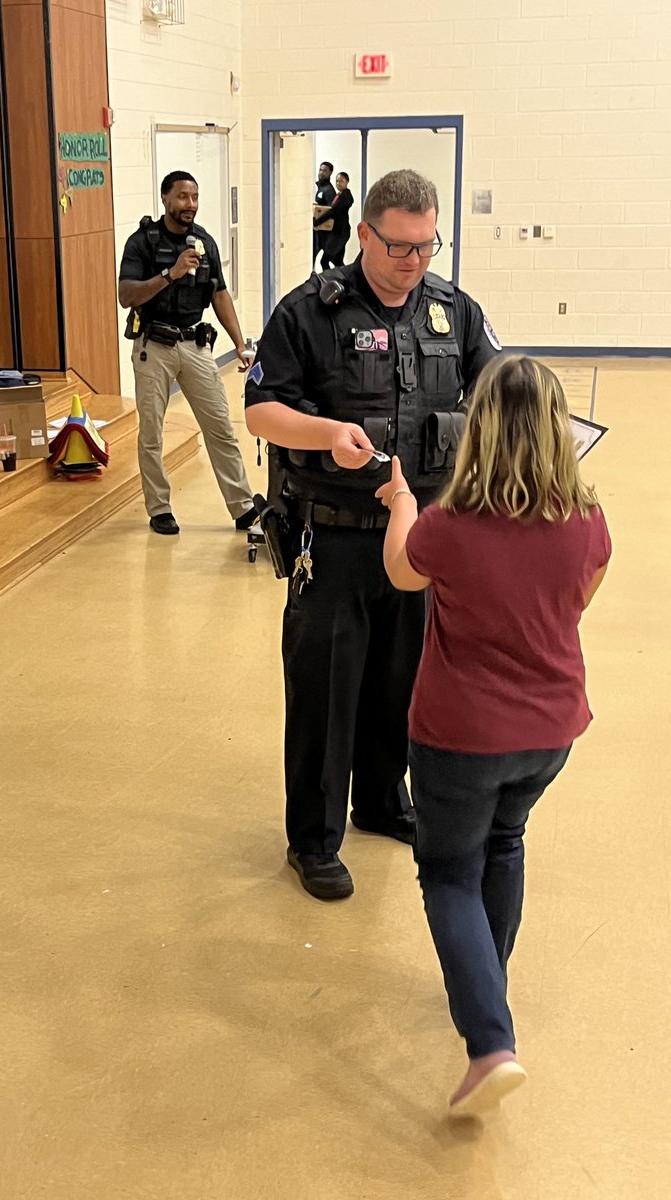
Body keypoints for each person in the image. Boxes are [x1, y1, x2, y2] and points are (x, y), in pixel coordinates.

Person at [245, 169, 501, 901]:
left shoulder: (454, 310)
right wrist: (328, 433)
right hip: (334, 539)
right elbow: (261, 409)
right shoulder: (309, 312)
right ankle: (314, 839)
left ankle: (384, 802)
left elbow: (498, 388)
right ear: (363, 235)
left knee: (402, 683)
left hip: (418, 538)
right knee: (327, 692)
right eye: (398, 246)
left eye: (426, 245)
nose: (414, 261)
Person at [374, 355, 611, 1117]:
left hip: (459, 737)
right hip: (550, 733)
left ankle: (489, 1043)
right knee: (504, 844)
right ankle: (489, 982)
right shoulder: (586, 520)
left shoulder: (450, 524)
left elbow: (404, 573)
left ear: (477, 430)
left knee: (447, 873)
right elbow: (579, 599)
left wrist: (403, 501)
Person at [118, 171, 257, 535]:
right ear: (165, 199)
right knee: (152, 433)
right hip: (154, 347)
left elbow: (219, 294)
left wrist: (241, 345)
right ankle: (160, 507)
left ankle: (243, 507)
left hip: (195, 346)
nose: (190, 205)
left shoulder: (204, 242)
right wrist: (171, 273)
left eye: (194, 197)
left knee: (221, 428)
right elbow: (126, 296)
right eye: (182, 197)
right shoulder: (142, 243)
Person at [316, 172, 354, 268]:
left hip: (340, 233)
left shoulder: (346, 196)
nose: (338, 183)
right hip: (338, 232)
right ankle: (345, 281)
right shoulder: (339, 195)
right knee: (338, 262)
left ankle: (328, 281)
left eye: (341, 181)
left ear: (347, 182)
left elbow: (333, 211)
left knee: (324, 261)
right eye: (337, 181)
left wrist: (317, 221)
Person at [312, 162, 336, 271]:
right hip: (319, 230)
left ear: (330, 173)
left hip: (325, 232)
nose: (321, 173)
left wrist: (317, 221)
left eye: (325, 171)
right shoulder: (321, 188)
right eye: (320, 170)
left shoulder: (329, 190)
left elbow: (330, 211)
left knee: (327, 260)